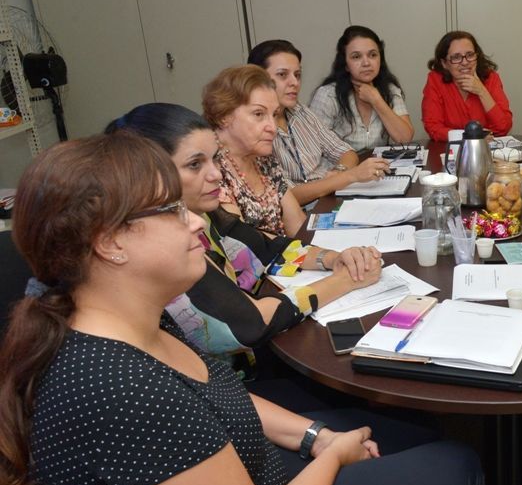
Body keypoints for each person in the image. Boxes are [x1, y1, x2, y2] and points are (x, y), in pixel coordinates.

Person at [0, 132, 481, 485]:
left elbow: (224, 397)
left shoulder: (131, 322)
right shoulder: (120, 389)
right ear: (109, 243)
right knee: (454, 468)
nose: (194, 222)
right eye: (170, 211)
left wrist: (317, 437)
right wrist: (333, 457)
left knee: (408, 433)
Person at [107, 103, 383, 372]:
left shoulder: (204, 214)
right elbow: (253, 323)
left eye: (215, 158)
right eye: (194, 165)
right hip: (239, 383)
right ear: (152, 175)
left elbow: (270, 250)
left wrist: (332, 259)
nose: (216, 174)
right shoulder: (168, 250)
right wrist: (345, 280)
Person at [247, 39, 391, 206]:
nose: (294, 82)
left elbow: (346, 152)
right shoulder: (256, 130)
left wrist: (339, 171)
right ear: (257, 79)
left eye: (297, 74)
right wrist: (348, 176)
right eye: (282, 75)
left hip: (330, 198)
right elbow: (286, 196)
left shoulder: (301, 112)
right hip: (302, 211)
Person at [202, 64, 304, 237]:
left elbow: (298, 224)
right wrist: (321, 256)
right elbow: (248, 244)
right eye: (258, 114)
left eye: (274, 115)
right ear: (224, 116)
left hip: (287, 257)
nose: (272, 127)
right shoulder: (212, 169)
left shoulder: (261, 158)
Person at [308, 26, 415, 152]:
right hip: (341, 169)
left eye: (373, 55)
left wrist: (376, 100)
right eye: (356, 57)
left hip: (379, 169)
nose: (366, 63)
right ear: (345, 65)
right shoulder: (328, 95)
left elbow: (405, 138)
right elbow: (314, 147)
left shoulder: (390, 90)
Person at [422, 30, 513, 141]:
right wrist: (470, 137)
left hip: (487, 152)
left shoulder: (491, 78)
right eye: (456, 57)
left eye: (470, 55)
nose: (465, 62)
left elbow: (503, 127)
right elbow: (433, 128)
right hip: (450, 152)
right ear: (444, 63)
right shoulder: (435, 80)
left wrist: (481, 91)